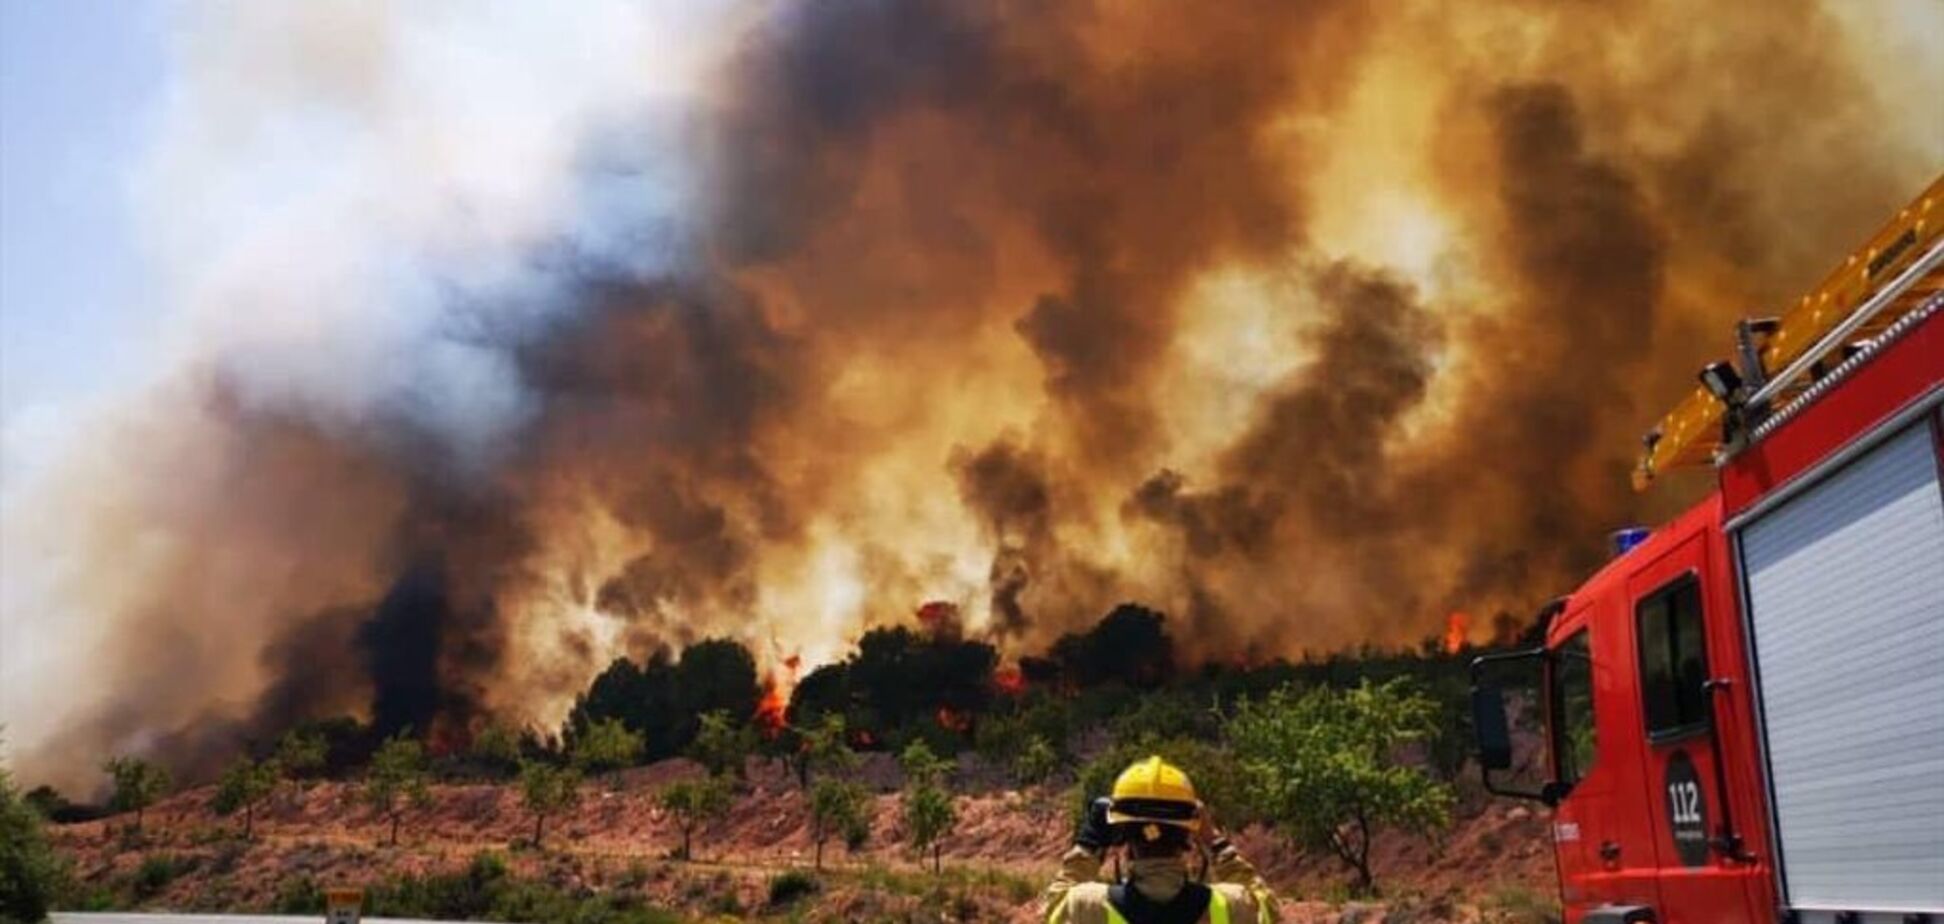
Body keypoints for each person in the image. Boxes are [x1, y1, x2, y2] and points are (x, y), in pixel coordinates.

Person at [1043, 756, 1276, 924]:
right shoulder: (1232, 906)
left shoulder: (1086, 906)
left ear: (1123, 834)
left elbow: (1053, 907)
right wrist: (1213, 839)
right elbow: (1268, 908)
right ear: (1188, 833)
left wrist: (1089, 840)